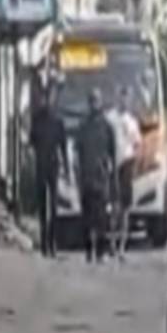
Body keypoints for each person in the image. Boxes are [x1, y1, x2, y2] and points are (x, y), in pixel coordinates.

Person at [77, 88, 116, 263]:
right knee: (86, 218)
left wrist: (110, 172)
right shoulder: (83, 126)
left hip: (101, 179)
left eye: (97, 100)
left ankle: (100, 252)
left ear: (100, 103)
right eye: (92, 100)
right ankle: (88, 251)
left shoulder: (107, 126)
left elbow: (112, 153)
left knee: (101, 218)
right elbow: (78, 152)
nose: (94, 103)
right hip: (86, 178)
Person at [29, 84, 68, 258]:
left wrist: (65, 169)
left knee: (54, 207)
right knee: (43, 207)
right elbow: (32, 142)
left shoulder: (58, 122)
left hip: (53, 166)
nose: (47, 101)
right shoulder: (36, 120)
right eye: (45, 98)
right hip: (41, 167)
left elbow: (63, 147)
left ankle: (53, 243)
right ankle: (45, 243)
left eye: (49, 98)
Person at [106, 85, 142, 254]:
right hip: (114, 165)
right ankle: (112, 243)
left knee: (125, 209)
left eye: (127, 98)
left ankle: (121, 246)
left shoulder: (132, 121)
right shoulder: (110, 118)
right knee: (114, 207)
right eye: (122, 97)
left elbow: (137, 144)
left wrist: (135, 163)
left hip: (126, 165)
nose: (124, 101)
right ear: (117, 98)